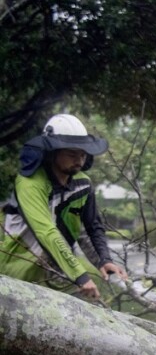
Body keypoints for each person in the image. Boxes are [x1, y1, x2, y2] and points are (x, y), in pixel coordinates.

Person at [0, 114, 128, 299]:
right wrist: (80, 276)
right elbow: (46, 231)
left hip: (57, 277)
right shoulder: (30, 183)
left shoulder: (83, 184)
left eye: (83, 154)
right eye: (71, 154)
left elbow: (91, 227)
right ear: (52, 152)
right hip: (15, 275)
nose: (79, 160)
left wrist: (104, 259)